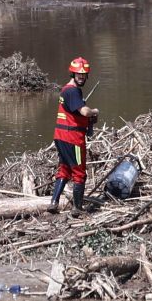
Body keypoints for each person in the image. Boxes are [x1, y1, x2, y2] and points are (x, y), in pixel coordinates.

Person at [50, 57, 99, 213]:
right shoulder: (73, 91)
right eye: (79, 74)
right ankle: (77, 208)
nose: (81, 77)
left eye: (84, 75)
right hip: (73, 139)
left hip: (60, 137)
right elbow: (84, 111)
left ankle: (53, 203)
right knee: (79, 173)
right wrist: (94, 111)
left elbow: (75, 112)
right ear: (73, 73)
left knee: (64, 169)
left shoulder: (65, 90)